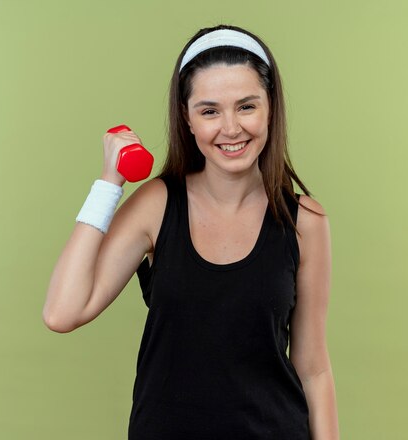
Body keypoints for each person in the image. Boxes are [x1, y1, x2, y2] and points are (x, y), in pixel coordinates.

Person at [43, 24, 339, 440]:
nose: (231, 128)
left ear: (271, 107)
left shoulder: (305, 221)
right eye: (210, 110)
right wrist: (109, 184)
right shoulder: (157, 205)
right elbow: (62, 312)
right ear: (187, 117)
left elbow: (314, 369)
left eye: (247, 106)